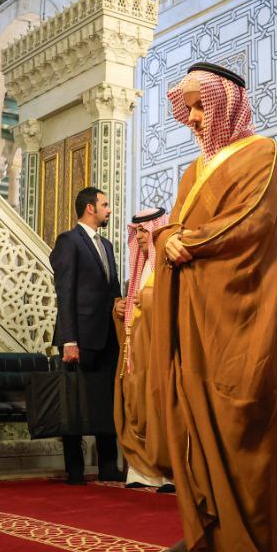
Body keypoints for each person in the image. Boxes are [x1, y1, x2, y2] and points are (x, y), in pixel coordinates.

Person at [146, 62, 277, 552]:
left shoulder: (262, 154)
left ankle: (252, 540)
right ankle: (207, 529)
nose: (195, 118)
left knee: (241, 416)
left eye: (203, 105)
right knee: (195, 420)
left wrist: (187, 242)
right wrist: (164, 239)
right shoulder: (192, 170)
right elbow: (171, 226)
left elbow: (252, 222)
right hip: (194, 312)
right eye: (189, 108)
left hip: (243, 314)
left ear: (228, 103)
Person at [49, 187, 125, 485]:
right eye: (105, 204)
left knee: (107, 402)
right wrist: (69, 340)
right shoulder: (69, 241)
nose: (109, 209)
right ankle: (75, 469)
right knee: (75, 403)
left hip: (107, 336)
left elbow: (111, 288)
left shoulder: (105, 245)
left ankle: (108, 466)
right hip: (78, 338)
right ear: (90, 208)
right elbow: (64, 292)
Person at [113, 207, 173, 492]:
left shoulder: (168, 266)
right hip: (137, 353)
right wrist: (119, 308)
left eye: (144, 231)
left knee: (162, 407)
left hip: (161, 352)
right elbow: (130, 313)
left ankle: (167, 472)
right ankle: (142, 471)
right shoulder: (138, 268)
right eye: (135, 232)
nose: (139, 237)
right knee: (136, 405)